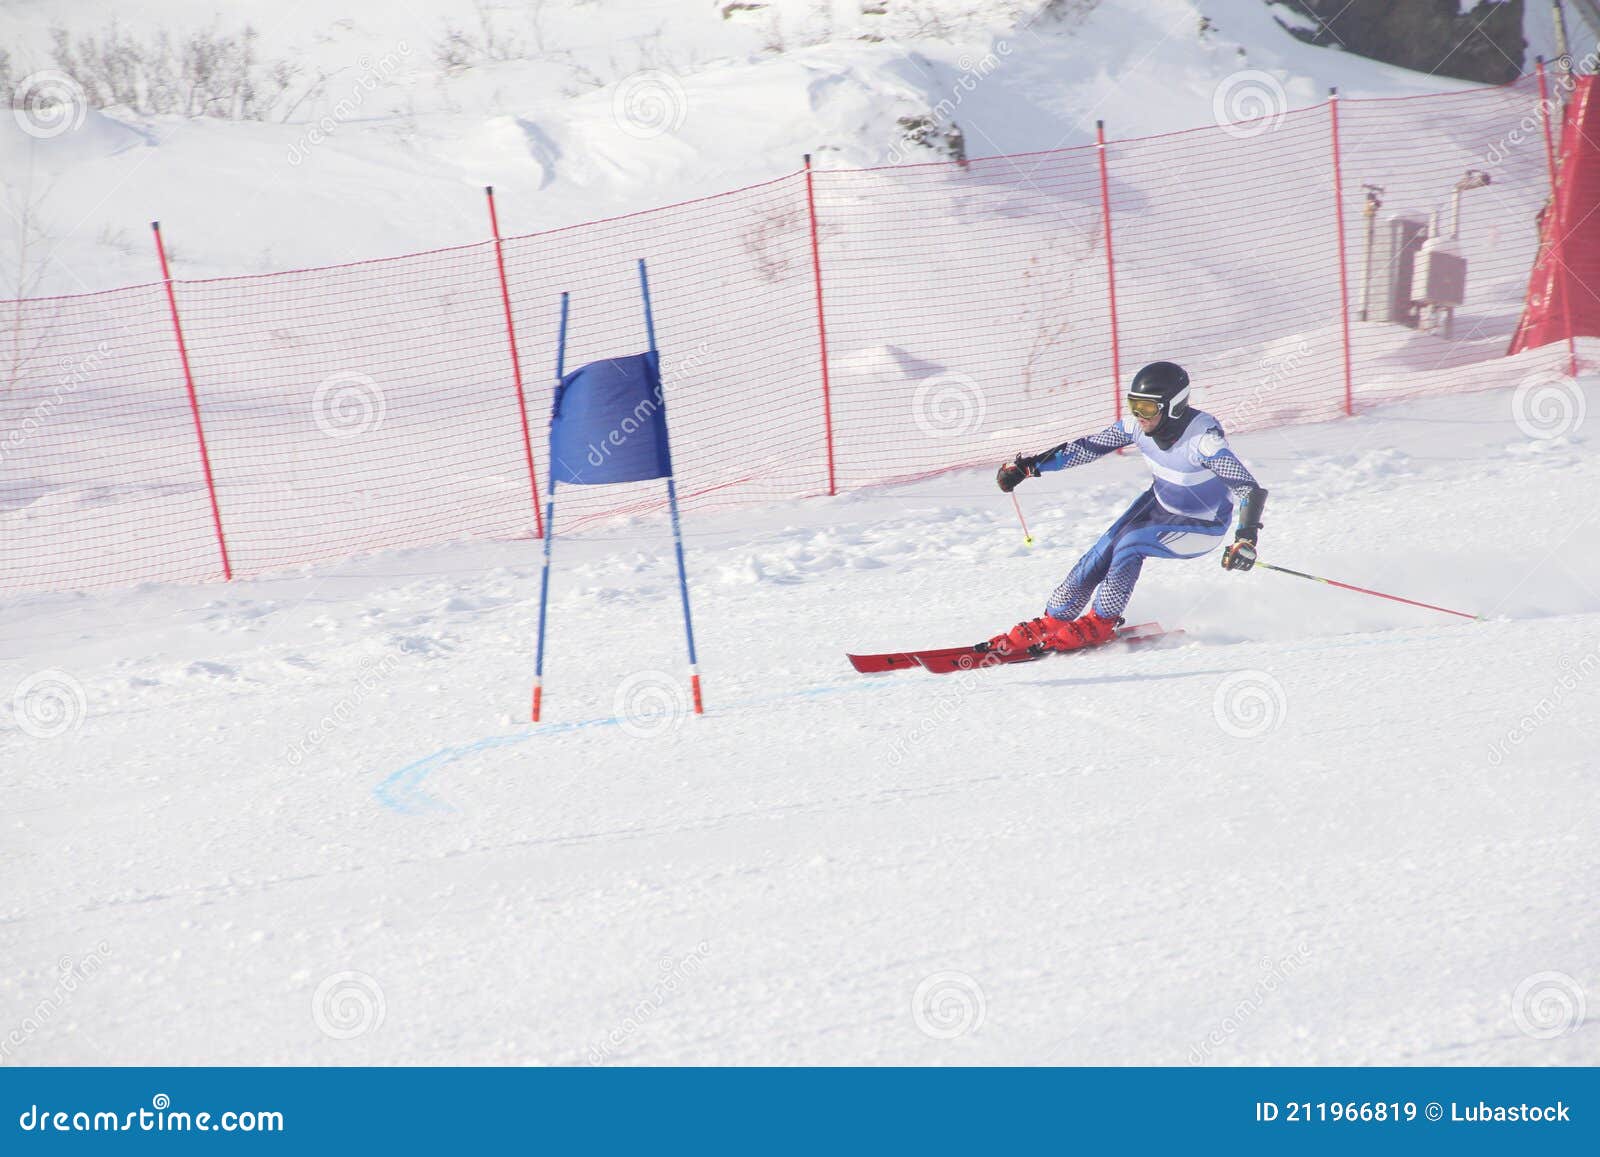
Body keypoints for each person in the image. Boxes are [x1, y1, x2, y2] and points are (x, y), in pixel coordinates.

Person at [989, 361, 1267, 655]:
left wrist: (1246, 537)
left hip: (1202, 526)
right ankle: (1053, 619)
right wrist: (1030, 467)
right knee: (1105, 548)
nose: (1138, 415)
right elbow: (1088, 447)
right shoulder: (1136, 425)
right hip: (1160, 506)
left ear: (1173, 406)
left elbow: (1248, 487)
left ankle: (1101, 621)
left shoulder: (1204, 440)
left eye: (1147, 409)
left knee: (1131, 544)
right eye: (1134, 405)